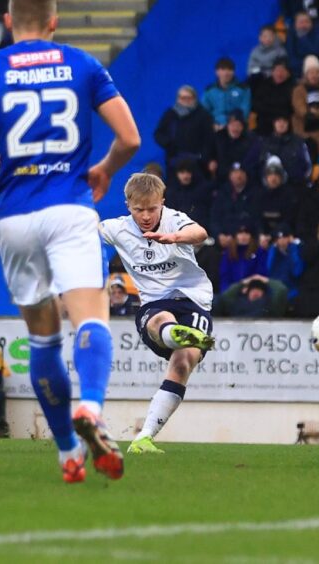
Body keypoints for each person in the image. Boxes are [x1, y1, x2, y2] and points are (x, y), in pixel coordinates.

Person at [0, 0, 141, 482]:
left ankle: (68, 453)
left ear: (9, 22)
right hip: (69, 209)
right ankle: (92, 407)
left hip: (13, 218)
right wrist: (105, 169)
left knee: (43, 334)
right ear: (55, 21)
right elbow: (130, 138)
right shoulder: (82, 63)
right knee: (90, 317)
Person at [99, 174, 214, 454]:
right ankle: (173, 333)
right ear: (128, 205)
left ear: (162, 202)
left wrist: (174, 237)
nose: (147, 216)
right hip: (154, 302)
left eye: (152, 209)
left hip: (193, 299)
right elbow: (83, 231)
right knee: (160, 320)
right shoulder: (118, 228)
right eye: (139, 210)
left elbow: (200, 233)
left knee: (184, 362)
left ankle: (143, 438)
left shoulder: (175, 219)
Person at [154, 85, 214, 175]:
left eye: (189, 97)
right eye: (183, 97)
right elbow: (158, 133)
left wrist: (204, 158)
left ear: (195, 98)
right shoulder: (171, 114)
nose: (186, 100)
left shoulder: (203, 115)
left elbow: (209, 138)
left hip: (197, 162)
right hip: (174, 160)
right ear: (178, 99)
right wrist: (169, 144)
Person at [291, 55, 319, 155]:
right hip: (302, 126)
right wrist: (308, 114)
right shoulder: (298, 90)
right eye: (311, 73)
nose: (314, 75)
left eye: (317, 72)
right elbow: (299, 108)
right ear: (306, 74)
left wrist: (316, 113)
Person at [202, 57, 251, 129]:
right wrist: (213, 124)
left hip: (237, 127)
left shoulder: (243, 89)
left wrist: (231, 124)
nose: (226, 73)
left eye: (230, 69)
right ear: (217, 72)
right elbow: (204, 111)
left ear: (234, 72)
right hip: (215, 126)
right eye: (223, 69)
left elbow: (245, 111)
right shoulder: (209, 91)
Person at [285, 10, 319, 77]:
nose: (304, 25)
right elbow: (290, 54)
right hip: (296, 69)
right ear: (295, 24)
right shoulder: (291, 34)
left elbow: (317, 51)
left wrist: (303, 37)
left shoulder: (318, 32)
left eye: (307, 22)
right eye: (301, 22)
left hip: (315, 66)